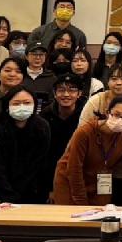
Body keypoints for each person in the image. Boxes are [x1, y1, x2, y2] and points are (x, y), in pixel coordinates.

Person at [0, 85, 51, 203]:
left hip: (31, 188)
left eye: (27, 103)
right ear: (7, 106)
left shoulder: (42, 127)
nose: (22, 107)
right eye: (16, 103)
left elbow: (39, 162)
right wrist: (8, 195)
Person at [39, 73, 85, 201]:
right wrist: (50, 188)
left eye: (72, 90)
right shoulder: (44, 116)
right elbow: (43, 156)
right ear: (54, 94)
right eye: (61, 90)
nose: (66, 94)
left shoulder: (86, 116)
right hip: (51, 173)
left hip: (80, 172)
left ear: (79, 93)